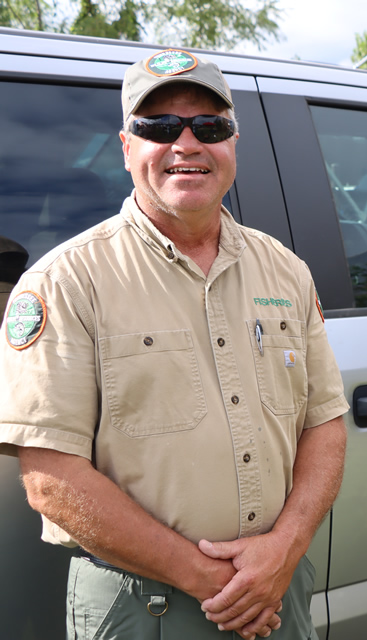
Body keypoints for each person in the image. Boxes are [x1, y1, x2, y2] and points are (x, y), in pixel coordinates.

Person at [0, 49, 349, 640]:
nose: (186, 143)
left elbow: (325, 424)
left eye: (208, 126)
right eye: (158, 126)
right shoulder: (66, 280)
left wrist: (285, 550)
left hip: (278, 589)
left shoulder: (286, 271)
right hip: (144, 608)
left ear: (233, 142)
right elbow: (50, 478)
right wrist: (220, 584)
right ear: (126, 145)